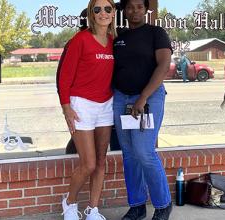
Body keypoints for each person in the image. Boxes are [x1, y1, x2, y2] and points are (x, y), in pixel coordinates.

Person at [112, 0, 172, 219]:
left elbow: (163, 65)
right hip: (121, 99)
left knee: (144, 151)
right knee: (129, 154)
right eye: (130, 7)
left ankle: (163, 204)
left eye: (139, 6)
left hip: (149, 98)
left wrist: (143, 96)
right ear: (124, 11)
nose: (134, 10)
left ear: (146, 10)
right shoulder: (119, 37)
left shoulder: (156, 33)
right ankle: (137, 206)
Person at [58, 0, 116, 219]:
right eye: (98, 9)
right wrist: (66, 108)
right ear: (92, 13)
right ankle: (69, 202)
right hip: (81, 105)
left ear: (113, 13)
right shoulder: (80, 40)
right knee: (88, 163)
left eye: (107, 9)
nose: (103, 13)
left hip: (106, 105)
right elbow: (64, 77)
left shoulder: (113, 41)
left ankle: (93, 210)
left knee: (101, 161)